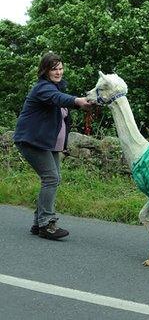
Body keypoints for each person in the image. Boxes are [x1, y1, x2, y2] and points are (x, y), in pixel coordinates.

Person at [13, 52, 92, 240]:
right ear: (45, 71)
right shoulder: (43, 88)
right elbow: (60, 99)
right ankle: (47, 224)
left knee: (53, 179)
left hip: (48, 144)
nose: (58, 72)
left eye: (60, 68)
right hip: (32, 140)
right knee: (50, 178)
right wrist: (78, 101)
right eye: (54, 69)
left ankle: (38, 223)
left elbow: (61, 105)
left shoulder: (56, 88)